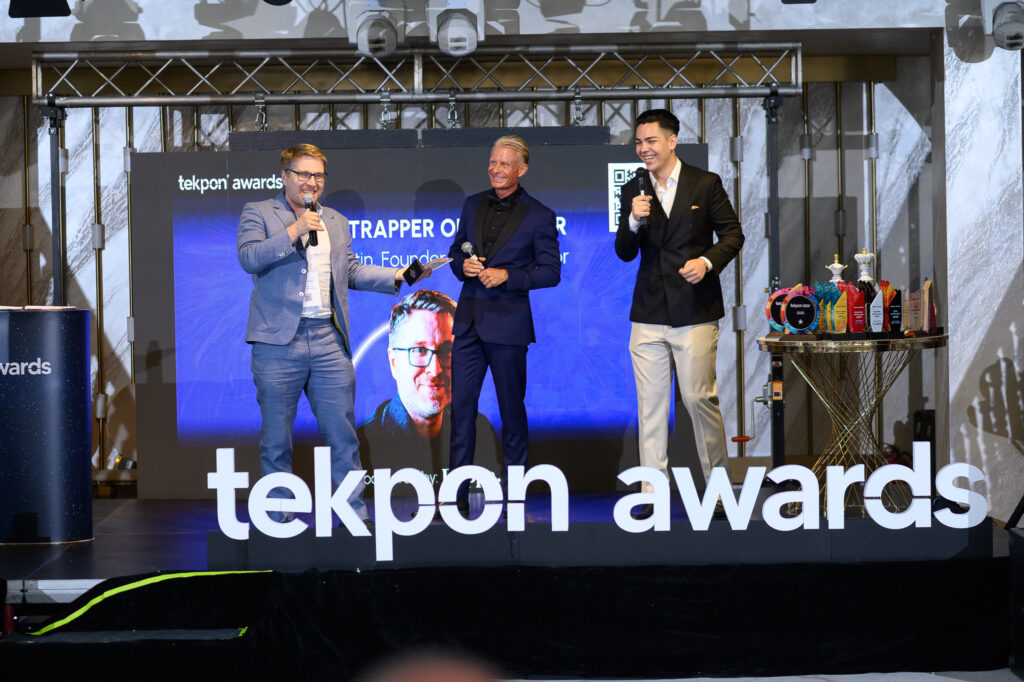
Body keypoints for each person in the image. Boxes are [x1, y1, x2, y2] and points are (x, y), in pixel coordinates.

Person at [237, 143, 422, 524]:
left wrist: (397, 275)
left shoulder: (335, 220)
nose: (312, 182)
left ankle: (352, 517)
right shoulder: (258, 212)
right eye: (304, 174)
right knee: (276, 441)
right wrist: (295, 229)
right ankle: (279, 519)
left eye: (318, 175)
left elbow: (350, 270)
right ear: (285, 176)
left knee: (343, 437)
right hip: (277, 343)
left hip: (328, 341)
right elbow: (249, 257)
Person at [615, 109, 745, 520]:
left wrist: (706, 263)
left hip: (694, 310)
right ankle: (652, 493)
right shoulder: (634, 188)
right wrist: (633, 219)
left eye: (651, 141)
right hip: (649, 311)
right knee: (650, 408)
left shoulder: (705, 183)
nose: (644, 149)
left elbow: (733, 234)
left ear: (672, 141)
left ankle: (719, 491)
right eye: (639, 142)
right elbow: (624, 252)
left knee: (698, 399)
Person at [447, 135, 561, 511]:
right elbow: (455, 250)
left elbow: (550, 272)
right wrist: (462, 266)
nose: (495, 169)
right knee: (461, 410)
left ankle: (514, 494)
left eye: (504, 164)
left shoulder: (540, 215)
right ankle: (456, 498)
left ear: (521, 169)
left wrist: (508, 276)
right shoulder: (472, 203)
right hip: (468, 323)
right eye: (493, 162)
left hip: (509, 326)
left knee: (511, 411)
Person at [357, 290, 500, 495]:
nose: (435, 369)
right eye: (420, 351)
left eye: (447, 351)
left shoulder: (480, 432)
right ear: (394, 362)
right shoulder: (362, 444)